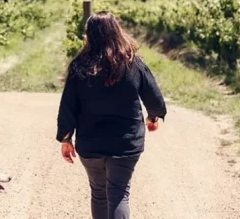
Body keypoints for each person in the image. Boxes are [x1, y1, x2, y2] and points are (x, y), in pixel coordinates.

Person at [56, 11, 167, 219]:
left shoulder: (79, 66)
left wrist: (65, 138)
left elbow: (67, 106)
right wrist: (153, 117)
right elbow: (154, 99)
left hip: (91, 145)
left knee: (99, 194)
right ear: (117, 31)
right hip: (125, 144)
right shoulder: (133, 63)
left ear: (89, 35)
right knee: (118, 194)